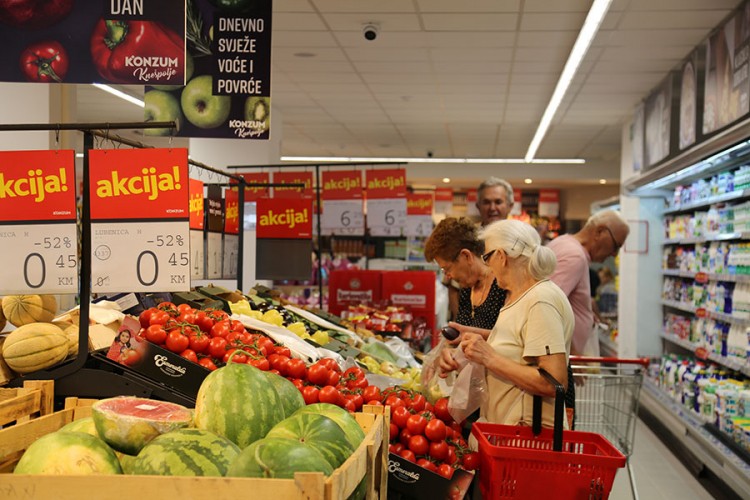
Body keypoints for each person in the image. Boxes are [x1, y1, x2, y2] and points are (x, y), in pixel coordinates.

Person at [438, 219, 574, 428]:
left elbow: (553, 382)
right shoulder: (519, 297)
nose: (487, 266)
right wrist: (472, 337)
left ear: (501, 256)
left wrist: (488, 356)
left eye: (487, 257)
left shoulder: (540, 300)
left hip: (527, 441)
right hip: (507, 433)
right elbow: (518, 346)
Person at [547, 210, 630, 357]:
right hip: (562, 358)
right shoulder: (574, 256)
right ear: (600, 232)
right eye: (616, 245)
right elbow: (547, 307)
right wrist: (571, 351)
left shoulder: (563, 242)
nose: (614, 254)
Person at [424, 217, 507, 337]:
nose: (448, 275)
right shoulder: (467, 289)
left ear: (466, 256)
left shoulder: (503, 285)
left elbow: (513, 340)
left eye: (447, 269)